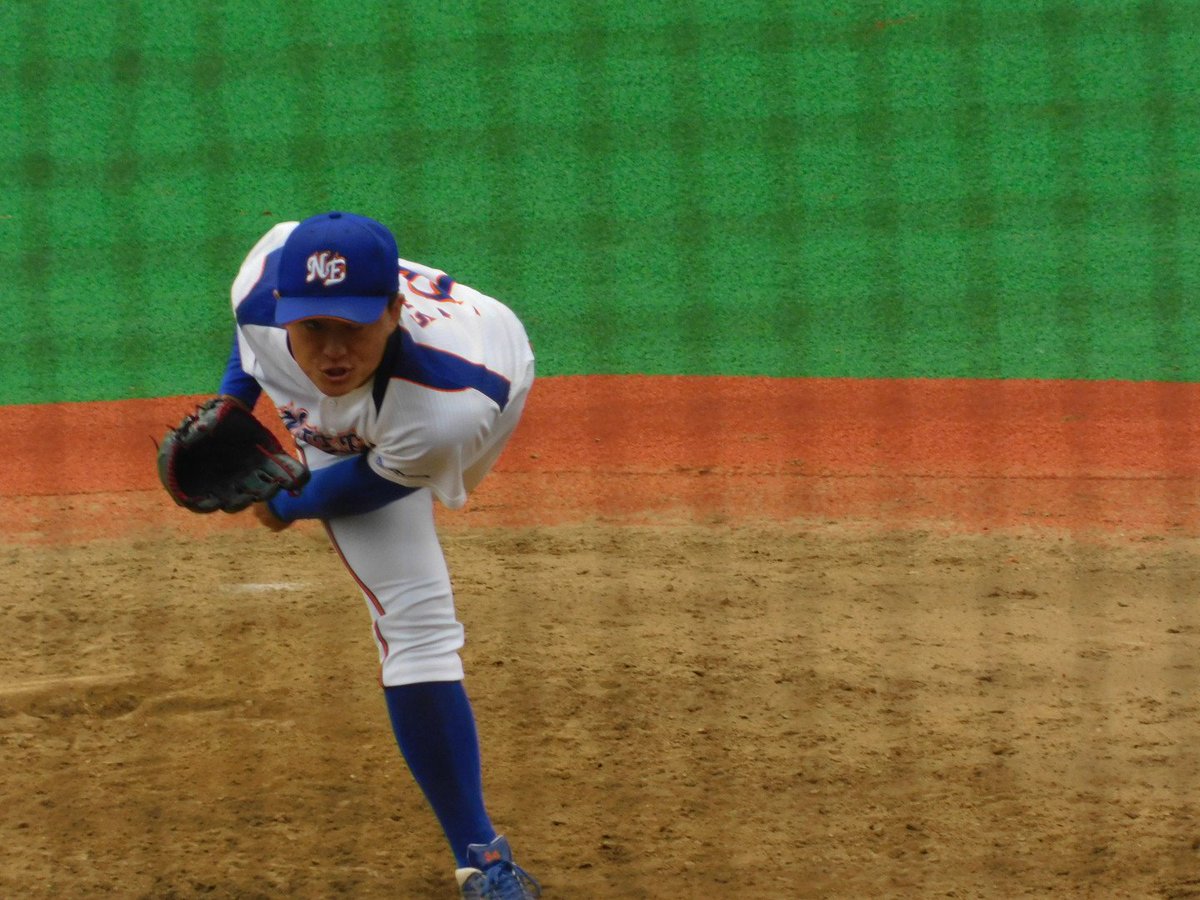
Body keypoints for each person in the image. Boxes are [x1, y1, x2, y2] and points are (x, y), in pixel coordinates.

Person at [217, 211, 541, 899]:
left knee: (402, 453)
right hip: (394, 415)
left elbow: (369, 484)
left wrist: (283, 505)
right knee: (415, 624)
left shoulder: (448, 406)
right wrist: (231, 410)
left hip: (483, 381)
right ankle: (482, 859)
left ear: (392, 311)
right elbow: (252, 347)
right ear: (284, 307)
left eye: (354, 326)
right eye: (313, 328)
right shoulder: (260, 286)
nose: (333, 352)